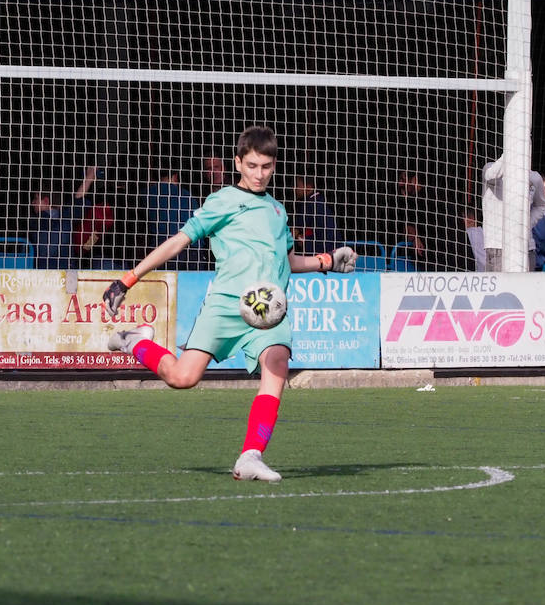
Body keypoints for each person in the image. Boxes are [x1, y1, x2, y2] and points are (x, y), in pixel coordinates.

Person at [102, 126, 358, 483]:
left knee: (278, 361)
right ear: (238, 163)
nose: (259, 173)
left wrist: (327, 261)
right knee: (182, 378)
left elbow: (289, 262)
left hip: (267, 309)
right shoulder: (221, 201)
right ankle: (132, 340)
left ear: (274, 166)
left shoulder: (278, 211)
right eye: (252, 165)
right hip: (224, 304)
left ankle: (251, 455)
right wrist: (128, 279)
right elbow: (178, 241)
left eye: (266, 166)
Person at [480, 156, 545, 271]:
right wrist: (510, 152)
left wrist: (526, 224)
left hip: (526, 246)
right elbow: (491, 175)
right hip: (498, 246)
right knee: (501, 288)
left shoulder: (534, 177)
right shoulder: (491, 168)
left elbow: (540, 206)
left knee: (525, 288)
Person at [145, 165, 204, 270]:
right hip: (193, 249)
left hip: (163, 250)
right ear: (176, 176)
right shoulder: (188, 196)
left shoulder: (147, 194)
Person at [288, 173, 340, 254]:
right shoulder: (319, 199)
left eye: (297, 185)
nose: (294, 189)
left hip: (321, 251)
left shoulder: (310, 204)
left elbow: (296, 230)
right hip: (332, 249)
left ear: (308, 188)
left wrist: (298, 236)